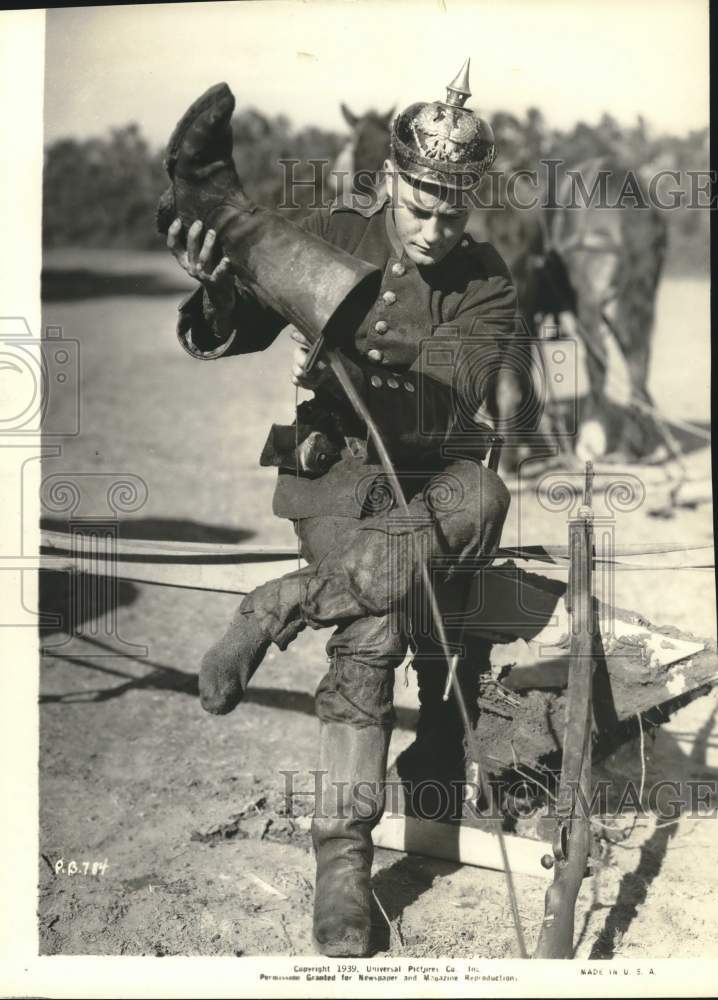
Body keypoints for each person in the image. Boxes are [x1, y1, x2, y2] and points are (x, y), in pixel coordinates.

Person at [161, 61, 517, 957]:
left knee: (488, 488)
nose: (436, 230)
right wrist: (216, 281)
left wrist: (344, 336)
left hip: (436, 478)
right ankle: (344, 868)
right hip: (340, 479)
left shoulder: (489, 281)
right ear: (391, 177)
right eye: (420, 204)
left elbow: (452, 390)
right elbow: (235, 324)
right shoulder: (331, 229)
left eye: (454, 210)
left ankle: (283, 601)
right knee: (377, 625)